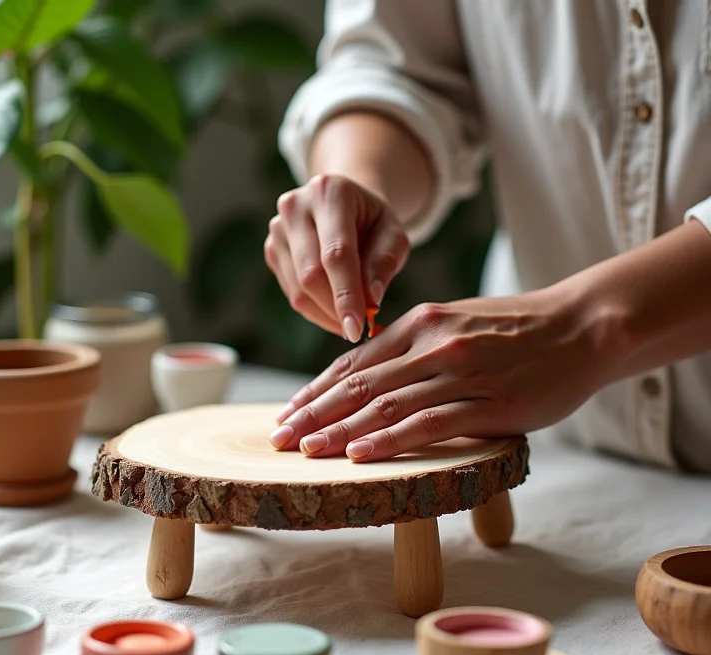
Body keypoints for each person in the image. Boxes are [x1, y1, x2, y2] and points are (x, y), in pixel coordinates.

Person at [264, 0, 711, 473]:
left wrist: (585, 324)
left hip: (536, 407)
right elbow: (398, 62)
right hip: (553, 448)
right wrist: (359, 178)